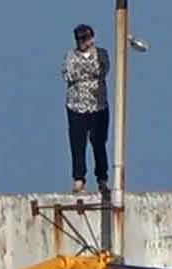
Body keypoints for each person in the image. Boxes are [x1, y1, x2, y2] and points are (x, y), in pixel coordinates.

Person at [64, 23, 111, 194]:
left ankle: (102, 179)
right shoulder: (70, 56)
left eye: (86, 38)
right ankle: (79, 179)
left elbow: (102, 69)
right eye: (80, 39)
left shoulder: (102, 54)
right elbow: (69, 74)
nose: (84, 42)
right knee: (78, 144)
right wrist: (90, 71)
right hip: (76, 107)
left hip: (98, 106)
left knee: (99, 143)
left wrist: (86, 68)